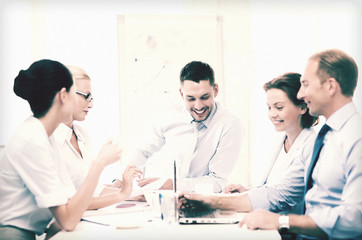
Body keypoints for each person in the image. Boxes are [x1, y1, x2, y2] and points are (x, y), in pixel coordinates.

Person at [240, 49, 362, 239]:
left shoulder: (355, 137)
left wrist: (282, 221)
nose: (300, 93)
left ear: (330, 86)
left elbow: (356, 219)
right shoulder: (328, 136)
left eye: (305, 84)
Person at [0, 60, 122, 240]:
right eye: (76, 93)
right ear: (63, 95)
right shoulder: (32, 140)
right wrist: (100, 163)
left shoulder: (44, 135)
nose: (89, 104)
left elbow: (70, 204)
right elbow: (68, 220)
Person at [179, 72, 318, 214]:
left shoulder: (311, 146)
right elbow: (271, 188)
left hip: (289, 230)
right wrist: (248, 192)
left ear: (302, 107)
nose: (272, 114)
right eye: (269, 108)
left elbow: (280, 196)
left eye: (279, 107)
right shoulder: (280, 139)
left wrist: (211, 201)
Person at [113, 61, 244, 193]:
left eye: (204, 97)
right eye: (191, 99)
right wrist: (120, 181)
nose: (198, 106)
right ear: (181, 94)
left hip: (203, 203)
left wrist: (173, 184)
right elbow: (143, 151)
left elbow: (217, 181)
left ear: (215, 91)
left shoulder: (230, 125)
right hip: (159, 196)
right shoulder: (169, 114)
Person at [52, 65, 142, 210]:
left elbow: (93, 191)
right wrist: (123, 193)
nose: (91, 104)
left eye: (91, 97)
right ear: (64, 94)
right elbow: (69, 205)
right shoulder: (49, 140)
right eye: (86, 96)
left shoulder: (82, 134)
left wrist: (135, 193)